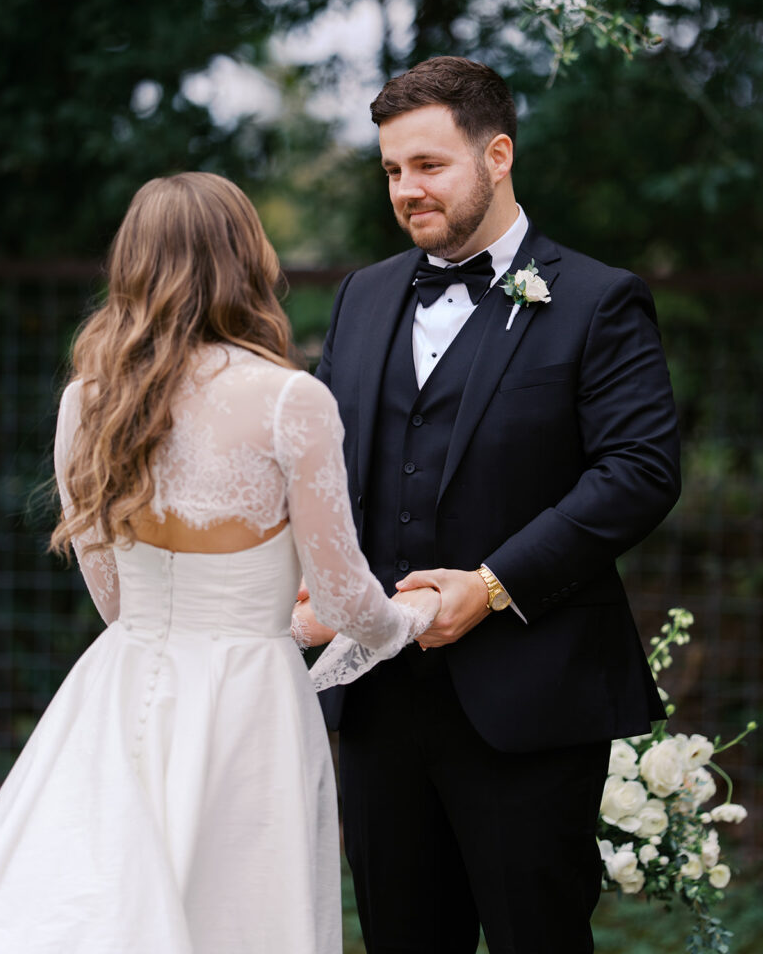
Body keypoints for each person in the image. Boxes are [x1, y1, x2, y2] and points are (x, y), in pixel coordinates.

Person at [0, 172, 439, 953]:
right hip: (247, 703)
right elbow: (343, 602)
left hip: (118, 688)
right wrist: (411, 618)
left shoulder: (86, 401)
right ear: (246, 259)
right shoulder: (287, 401)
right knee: (241, 917)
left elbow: (114, 600)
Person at [299, 56, 681, 954]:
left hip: (530, 698)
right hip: (377, 697)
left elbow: (637, 471)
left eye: (428, 165)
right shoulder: (362, 295)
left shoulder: (597, 300)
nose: (406, 189)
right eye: (391, 169)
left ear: (497, 154)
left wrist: (492, 582)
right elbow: (318, 467)